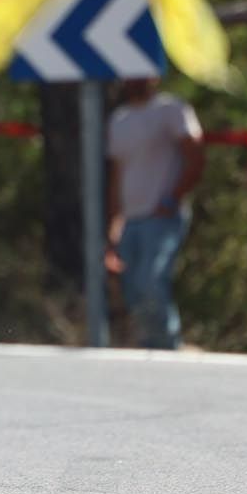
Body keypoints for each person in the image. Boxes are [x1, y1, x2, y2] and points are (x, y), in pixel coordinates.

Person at [105, 77, 206, 349]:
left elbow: (196, 157)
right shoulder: (120, 119)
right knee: (133, 290)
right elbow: (117, 178)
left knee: (151, 281)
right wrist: (114, 226)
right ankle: (149, 347)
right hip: (131, 220)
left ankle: (169, 346)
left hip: (161, 217)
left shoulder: (171, 109)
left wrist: (172, 199)